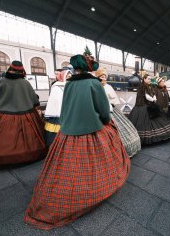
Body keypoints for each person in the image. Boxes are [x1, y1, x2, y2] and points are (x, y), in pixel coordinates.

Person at [25, 55, 130, 229]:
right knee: (97, 162)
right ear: (89, 69)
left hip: (68, 131)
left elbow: (64, 109)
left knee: (67, 166)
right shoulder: (94, 83)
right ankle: (94, 191)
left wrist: (66, 125)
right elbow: (104, 109)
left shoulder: (69, 84)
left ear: (76, 69)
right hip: (91, 129)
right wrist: (105, 121)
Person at [95, 67, 141, 157]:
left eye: (105, 76)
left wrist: (110, 102)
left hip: (111, 109)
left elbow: (115, 98)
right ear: (98, 77)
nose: (104, 78)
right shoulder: (96, 86)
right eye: (101, 76)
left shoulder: (108, 87)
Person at [128, 71, 170, 145]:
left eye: (150, 79)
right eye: (148, 79)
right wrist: (153, 99)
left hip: (148, 105)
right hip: (142, 106)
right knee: (143, 122)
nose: (149, 80)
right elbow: (146, 96)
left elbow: (152, 94)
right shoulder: (142, 86)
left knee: (154, 119)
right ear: (144, 79)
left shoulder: (149, 86)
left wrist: (154, 97)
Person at [44, 69, 72, 146]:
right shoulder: (57, 86)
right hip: (57, 116)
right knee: (55, 135)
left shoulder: (71, 86)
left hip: (68, 114)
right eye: (68, 77)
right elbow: (55, 101)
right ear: (63, 77)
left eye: (70, 77)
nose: (69, 79)